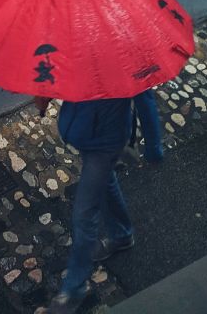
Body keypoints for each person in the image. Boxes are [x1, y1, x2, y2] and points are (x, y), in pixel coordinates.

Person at [37, 87, 163, 311]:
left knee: (84, 214)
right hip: (87, 133)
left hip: (105, 144)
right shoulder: (80, 52)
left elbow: (145, 100)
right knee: (106, 182)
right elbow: (66, 76)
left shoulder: (125, 60)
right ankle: (122, 234)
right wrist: (45, 94)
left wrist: (153, 147)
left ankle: (74, 289)